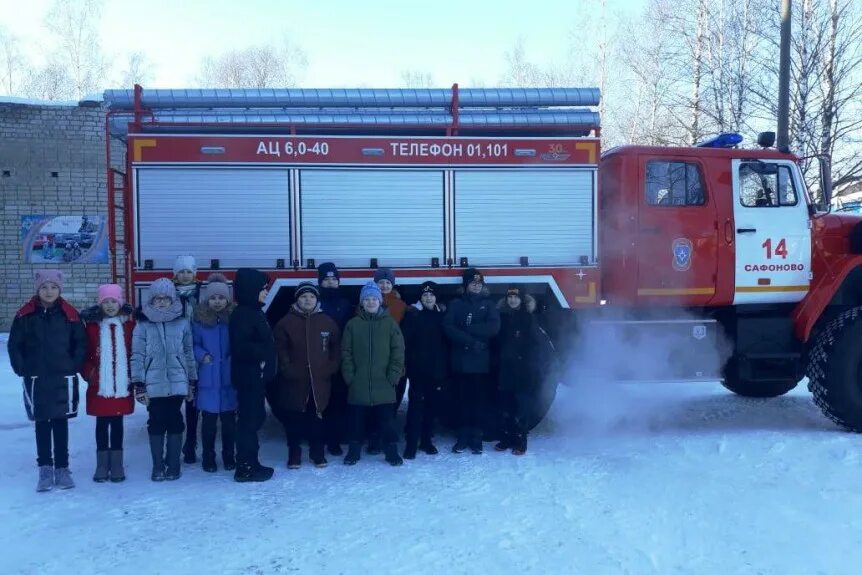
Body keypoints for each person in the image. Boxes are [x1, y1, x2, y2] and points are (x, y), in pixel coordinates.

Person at [8, 270, 86, 492]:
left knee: (60, 422)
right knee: (42, 423)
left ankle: (62, 468)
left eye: (53, 287)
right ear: (38, 290)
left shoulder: (69, 314)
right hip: (36, 377)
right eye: (44, 287)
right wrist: (22, 368)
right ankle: (44, 468)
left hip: (63, 375)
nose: (48, 291)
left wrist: (74, 364)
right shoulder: (25, 315)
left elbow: (80, 342)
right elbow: (14, 344)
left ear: (59, 289)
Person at [131, 278, 197, 481]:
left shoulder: (182, 322)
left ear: (172, 300)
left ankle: (173, 463)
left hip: (177, 382)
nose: (161, 302)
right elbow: (137, 354)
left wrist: (192, 381)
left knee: (176, 421)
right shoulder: (142, 324)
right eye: (157, 298)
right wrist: (139, 384)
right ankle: (158, 466)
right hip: (153, 383)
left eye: (166, 298)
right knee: (156, 422)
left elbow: (188, 352)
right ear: (151, 300)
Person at [273, 282, 341, 469]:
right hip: (294, 381)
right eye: (303, 297)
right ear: (297, 300)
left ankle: (317, 453)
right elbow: (280, 349)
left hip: (319, 381)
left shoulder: (326, 322)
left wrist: (331, 367)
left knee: (317, 418)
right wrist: (287, 369)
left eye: (311, 297)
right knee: (294, 419)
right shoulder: (286, 322)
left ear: (317, 300)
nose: (308, 300)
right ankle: (294, 454)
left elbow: (336, 348)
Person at [341, 281, 405, 467]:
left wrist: (393, 375)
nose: (370, 302)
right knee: (356, 421)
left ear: (380, 302)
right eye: (366, 299)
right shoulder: (353, 325)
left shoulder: (390, 324)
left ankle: (391, 451)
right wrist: (350, 376)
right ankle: (354, 451)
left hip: (384, 382)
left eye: (374, 299)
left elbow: (398, 351)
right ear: (361, 303)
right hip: (358, 383)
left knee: (386, 421)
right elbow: (346, 352)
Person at [80, 284, 135, 483]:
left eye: (114, 301)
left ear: (120, 303)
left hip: (121, 385)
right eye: (106, 302)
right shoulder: (92, 327)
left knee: (118, 424)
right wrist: (90, 373)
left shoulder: (128, 326)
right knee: (102, 425)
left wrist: (132, 375)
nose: (110, 305)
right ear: (100, 304)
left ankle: (117, 463)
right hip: (99, 386)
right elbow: (83, 355)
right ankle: (102, 464)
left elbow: (135, 353)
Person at [443, 268, 500, 454]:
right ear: (466, 285)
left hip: (480, 363)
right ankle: (463, 436)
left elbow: (493, 327)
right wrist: (471, 340)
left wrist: (468, 328)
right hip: (460, 361)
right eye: (472, 283)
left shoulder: (489, 304)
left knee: (478, 401)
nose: (476, 286)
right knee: (461, 400)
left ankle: (477, 438)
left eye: (479, 283)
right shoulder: (456, 304)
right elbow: (448, 327)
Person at [230, 268, 277, 482]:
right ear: (250, 291)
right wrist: (264, 351)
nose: (266, 293)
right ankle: (245, 467)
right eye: (263, 289)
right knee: (249, 422)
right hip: (248, 377)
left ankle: (252, 461)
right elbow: (241, 347)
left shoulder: (253, 311)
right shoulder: (243, 315)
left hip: (253, 377)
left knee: (255, 419)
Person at [192, 273, 237, 473]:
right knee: (208, 424)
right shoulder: (199, 320)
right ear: (207, 300)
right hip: (208, 380)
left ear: (227, 299)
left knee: (229, 423)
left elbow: (240, 341)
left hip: (228, 379)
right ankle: (208, 457)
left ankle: (229, 456)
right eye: (213, 298)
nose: (217, 302)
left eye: (221, 298)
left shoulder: (233, 319)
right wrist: (202, 356)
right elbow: (192, 344)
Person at [494, 286, 545, 455]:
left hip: (522, 371)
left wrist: (528, 363)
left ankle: (520, 442)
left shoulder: (529, 319)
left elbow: (537, 345)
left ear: (522, 299)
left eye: (516, 297)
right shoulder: (502, 317)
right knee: (505, 407)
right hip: (505, 370)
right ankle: (506, 439)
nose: (513, 300)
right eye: (510, 297)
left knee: (521, 408)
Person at [400, 281, 448, 459]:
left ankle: (426, 441)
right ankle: (411, 444)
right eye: (425, 295)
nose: (428, 298)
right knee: (415, 408)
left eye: (431, 295)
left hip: (437, 371)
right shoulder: (413, 316)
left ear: (436, 297)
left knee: (431, 408)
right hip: (418, 371)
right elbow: (404, 342)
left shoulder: (442, 316)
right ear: (420, 298)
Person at [317, 262, 352, 456]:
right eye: (326, 279)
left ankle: (336, 440)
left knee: (339, 399)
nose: (330, 283)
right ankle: (322, 438)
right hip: (320, 360)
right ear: (320, 282)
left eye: (333, 279)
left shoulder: (345, 303)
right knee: (322, 401)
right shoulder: (315, 302)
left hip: (340, 359)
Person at [173, 255, 203, 465]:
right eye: (181, 272)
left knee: (194, 401)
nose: (185, 276)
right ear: (175, 275)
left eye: (188, 272)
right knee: (176, 399)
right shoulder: (168, 295)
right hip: (176, 354)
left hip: (197, 353)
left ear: (195, 273)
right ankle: (177, 442)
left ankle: (191, 442)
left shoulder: (203, 294)